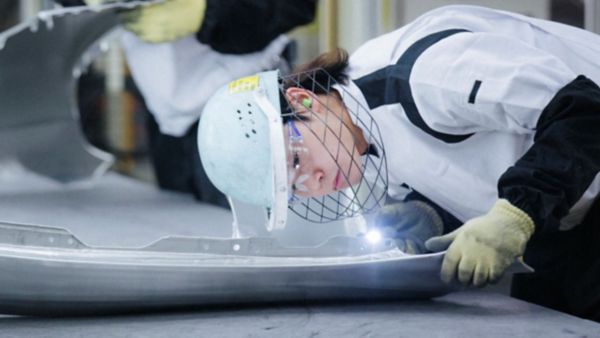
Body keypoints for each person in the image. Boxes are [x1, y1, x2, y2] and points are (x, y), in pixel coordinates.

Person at [196, 5, 600, 322]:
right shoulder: (354, 140)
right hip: (565, 213)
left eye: (296, 160)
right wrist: (432, 215)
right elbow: (463, 164)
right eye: (295, 187)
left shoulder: (426, 75)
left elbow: (583, 113)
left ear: (304, 101)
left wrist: (516, 213)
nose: (314, 181)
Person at [57, 0, 316, 207]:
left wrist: (207, 11)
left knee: (249, 249)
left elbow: (297, 5)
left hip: (247, 111)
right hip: (167, 121)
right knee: (182, 237)